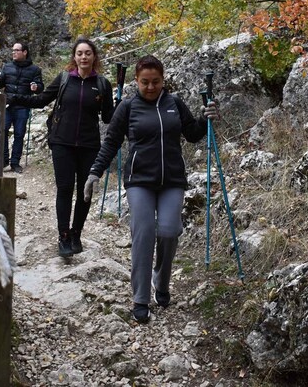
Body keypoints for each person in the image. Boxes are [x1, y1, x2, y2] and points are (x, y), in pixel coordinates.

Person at [83, 55, 219, 323]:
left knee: (169, 231)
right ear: (136, 80)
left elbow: (192, 134)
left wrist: (208, 118)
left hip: (172, 179)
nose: (150, 87)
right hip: (139, 181)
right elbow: (111, 142)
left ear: (163, 80)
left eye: (155, 81)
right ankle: (141, 298)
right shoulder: (128, 107)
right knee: (143, 232)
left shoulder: (174, 103)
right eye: (144, 82)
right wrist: (95, 172)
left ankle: (162, 282)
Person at [7, 38, 114, 257]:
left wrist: (122, 106)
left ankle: (77, 233)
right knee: (65, 189)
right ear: (74, 57)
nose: (83, 57)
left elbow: (108, 117)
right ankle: (63, 236)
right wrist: (12, 97)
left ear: (94, 57)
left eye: (87, 53)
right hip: (62, 143)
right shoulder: (65, 79)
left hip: (89, 145)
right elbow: (41, 100)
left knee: (85, 191)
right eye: (79, 53)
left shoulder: (102, 84)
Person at [0, 42, 44, 173]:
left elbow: (40, 87)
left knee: (19, 134)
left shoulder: (35, 70)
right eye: (13, 51)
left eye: (17, 50)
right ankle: (4, 160)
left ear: (25, 52)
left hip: (23, 105)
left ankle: (15, 163)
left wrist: (36, 87)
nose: (14, 53)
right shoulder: (7, 67)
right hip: (7, 104)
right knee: (3, 130)